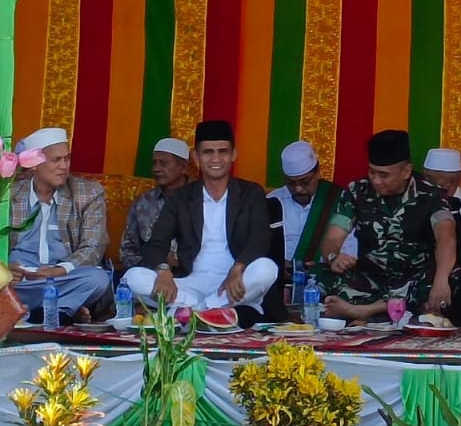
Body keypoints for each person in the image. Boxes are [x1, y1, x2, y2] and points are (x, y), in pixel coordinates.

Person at [122, 120, 277, 312]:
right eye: (208, 152)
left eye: (223, 151)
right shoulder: (181, 197)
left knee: (266, 268)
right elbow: (156, 244)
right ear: (196, 156)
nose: (216, 159)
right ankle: (210, 308)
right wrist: (163, 271)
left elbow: (260, 237)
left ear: (234, 154)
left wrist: (238, 268)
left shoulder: (250, 193)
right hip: (190, 283)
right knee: (133, 277)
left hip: (234, 282)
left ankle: (198, 309)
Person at [317, 130, 457, 322]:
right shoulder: (356, 191)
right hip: (371, 281)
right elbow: (333, 237)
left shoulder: (431, 195)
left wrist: (441, 280)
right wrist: (334, 257)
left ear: (406, 171)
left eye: (384, 175)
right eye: (371, 172)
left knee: (453, 277)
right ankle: (394, 309)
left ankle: (365, 310)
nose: (376, 180)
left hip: (414, 280)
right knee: (320, 273)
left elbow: (446, 237)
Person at [6, 127, 112, 324]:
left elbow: (94, 246)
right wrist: (5, 269)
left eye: (67, 158)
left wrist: (61, 270)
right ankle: (63, 308)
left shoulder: (88, 193)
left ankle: (36, 312)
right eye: (56, 160)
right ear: (34, 165)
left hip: (62, 278)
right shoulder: (10, 195)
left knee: (97, 279)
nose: (64, 166)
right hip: (20, 282)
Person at [267, 140, 346, 266]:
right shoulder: (272, 201)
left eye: (305, 182)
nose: (298, 189)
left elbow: (351, 249)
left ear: (317, 173)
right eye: (291, 183)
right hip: (279, 272)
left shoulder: (339, 199)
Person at [119, 137, 191, 271]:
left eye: (163, 163)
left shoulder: (203, 198)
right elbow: (128, 251)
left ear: (183, 167)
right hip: (152, 273)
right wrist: (155, 265)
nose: (156, 168)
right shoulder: (143, 203)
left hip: (195, 273)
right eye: (154, 163)